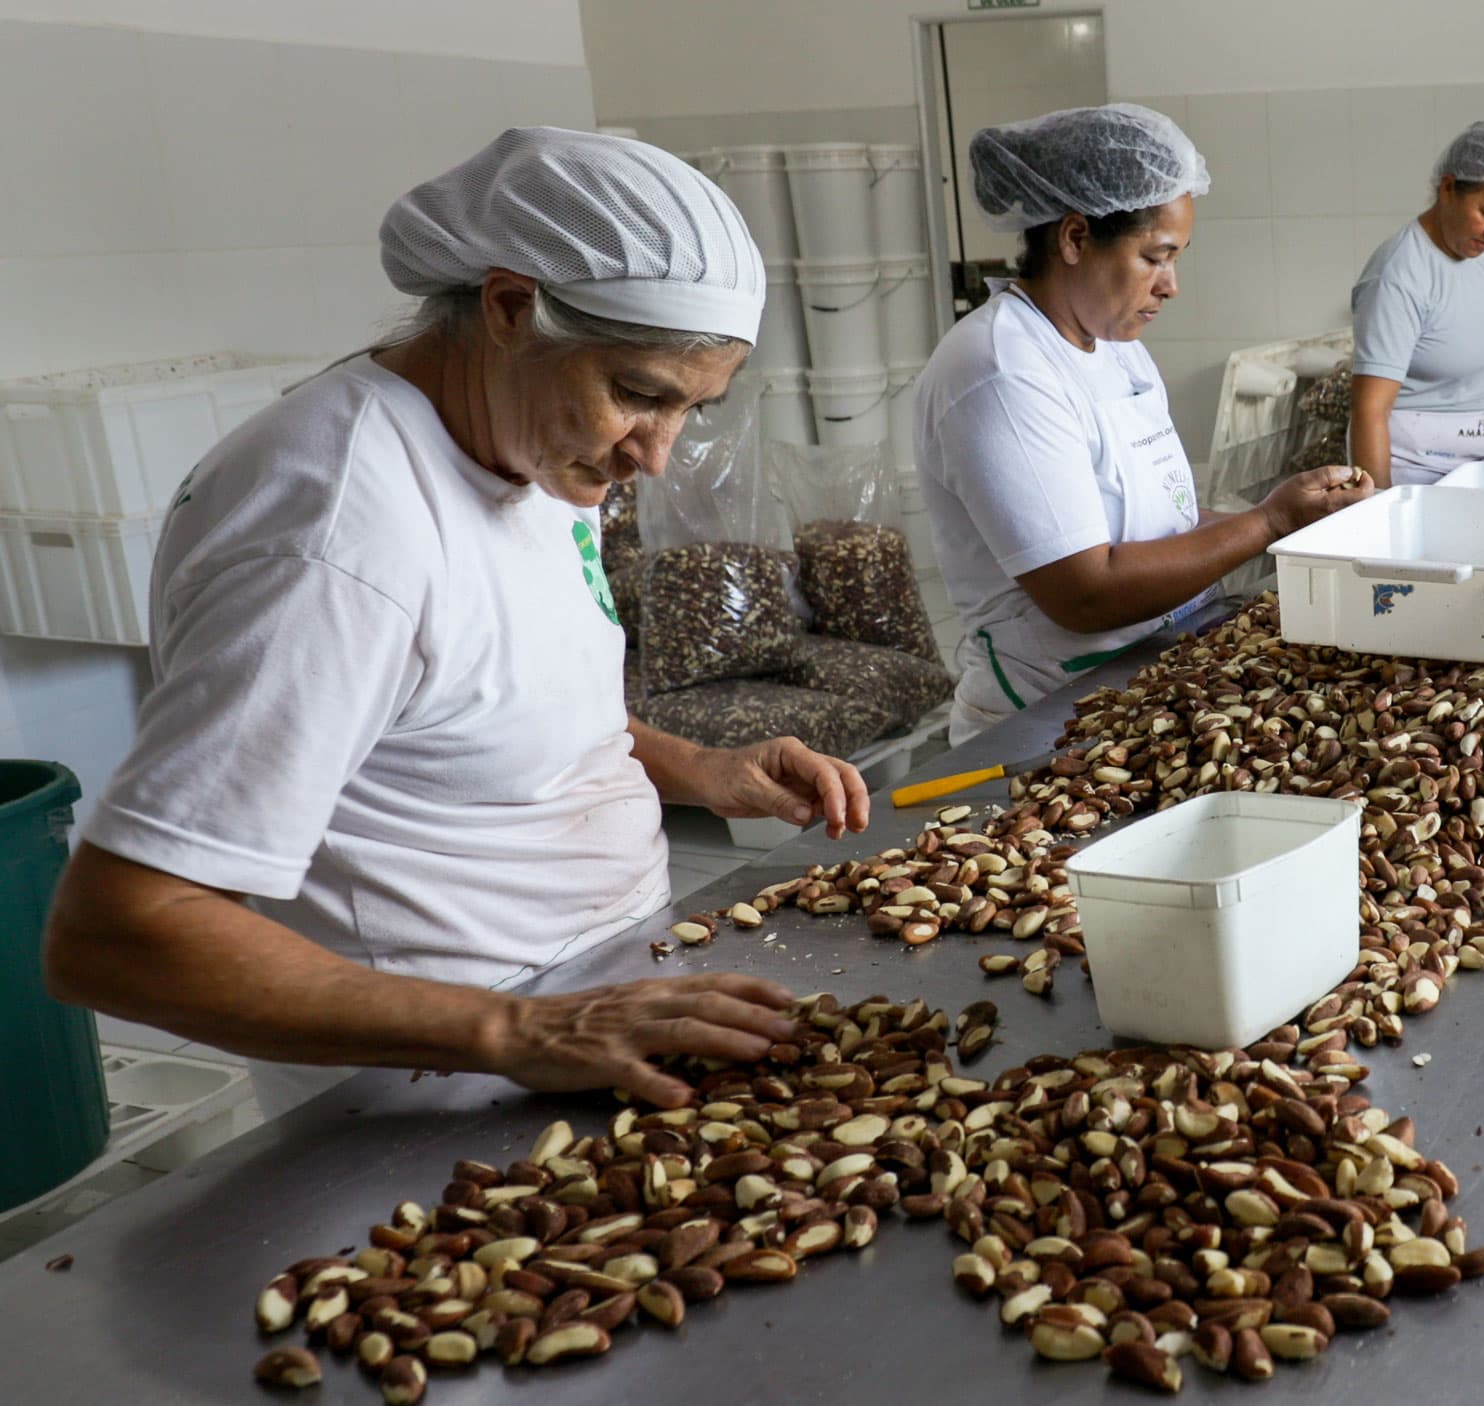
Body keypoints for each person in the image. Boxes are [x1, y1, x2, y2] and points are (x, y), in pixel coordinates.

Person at [43, 128, 871, 1115]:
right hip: (440, 1091)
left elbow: (475, 699)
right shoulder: (334, 532)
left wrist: (699, 767)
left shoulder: (531, 440)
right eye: (639, 394)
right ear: (512, 307)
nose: (654, 456)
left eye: (692, 408)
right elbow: (121, 932)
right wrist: (516, 1030)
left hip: (599, 1009)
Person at [917, 104, 1372, 743]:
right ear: (1075, 238)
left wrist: (1288, 520)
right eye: (1156, 257)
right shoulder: (1001, 368)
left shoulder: (1115, 344)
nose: (1172, 286)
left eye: (1177, 258)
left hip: (1143, 678)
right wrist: (1269, 522)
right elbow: (1085, 593)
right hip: (1048, 715)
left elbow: (1163, 526)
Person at [1348, 122, 1484, 487]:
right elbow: (1370, 409)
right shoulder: (1399, 274)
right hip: (1417, 472)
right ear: (1447, 189)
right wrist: (1378, 507)